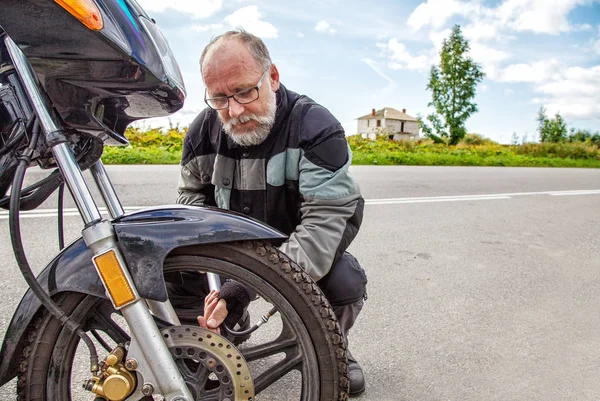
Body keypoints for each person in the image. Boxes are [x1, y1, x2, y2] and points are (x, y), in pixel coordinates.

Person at [175, 28, 368, 397]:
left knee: (345, 280)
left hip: (297, 251)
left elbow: (323, 229)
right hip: (228, 254)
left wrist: (243, 287)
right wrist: (216, 273)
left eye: (245, 91)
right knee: (171, 268)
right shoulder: (201, 130)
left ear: (273, 77)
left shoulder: (317, 127)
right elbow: (190, 198)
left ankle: (329, 344)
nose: (234, 110)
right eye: (219, 99)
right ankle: (206, 342)